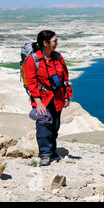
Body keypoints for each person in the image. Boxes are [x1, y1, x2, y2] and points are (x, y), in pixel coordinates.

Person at [24, 30, 73, 166]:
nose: (57, 43)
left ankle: (52, 151)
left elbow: (65, 77)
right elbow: (32, 83)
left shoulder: (58, 57)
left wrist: (66, 95)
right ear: (45, 43)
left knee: (55, 126)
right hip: (43, 99)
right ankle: (45, 154)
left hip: (57, 97)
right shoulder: (33, 60)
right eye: (54, 41)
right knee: (44, 125)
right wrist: (38, 103)